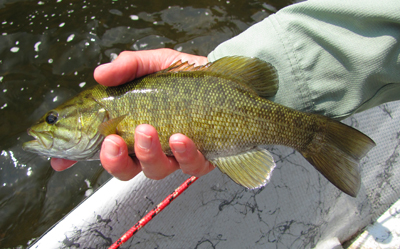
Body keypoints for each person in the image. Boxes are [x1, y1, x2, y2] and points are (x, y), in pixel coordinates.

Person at [51, 0, 400, 181]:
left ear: (91, 116)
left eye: (53, 119)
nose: (49, 126)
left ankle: (311, 135)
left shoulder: (108, 118)